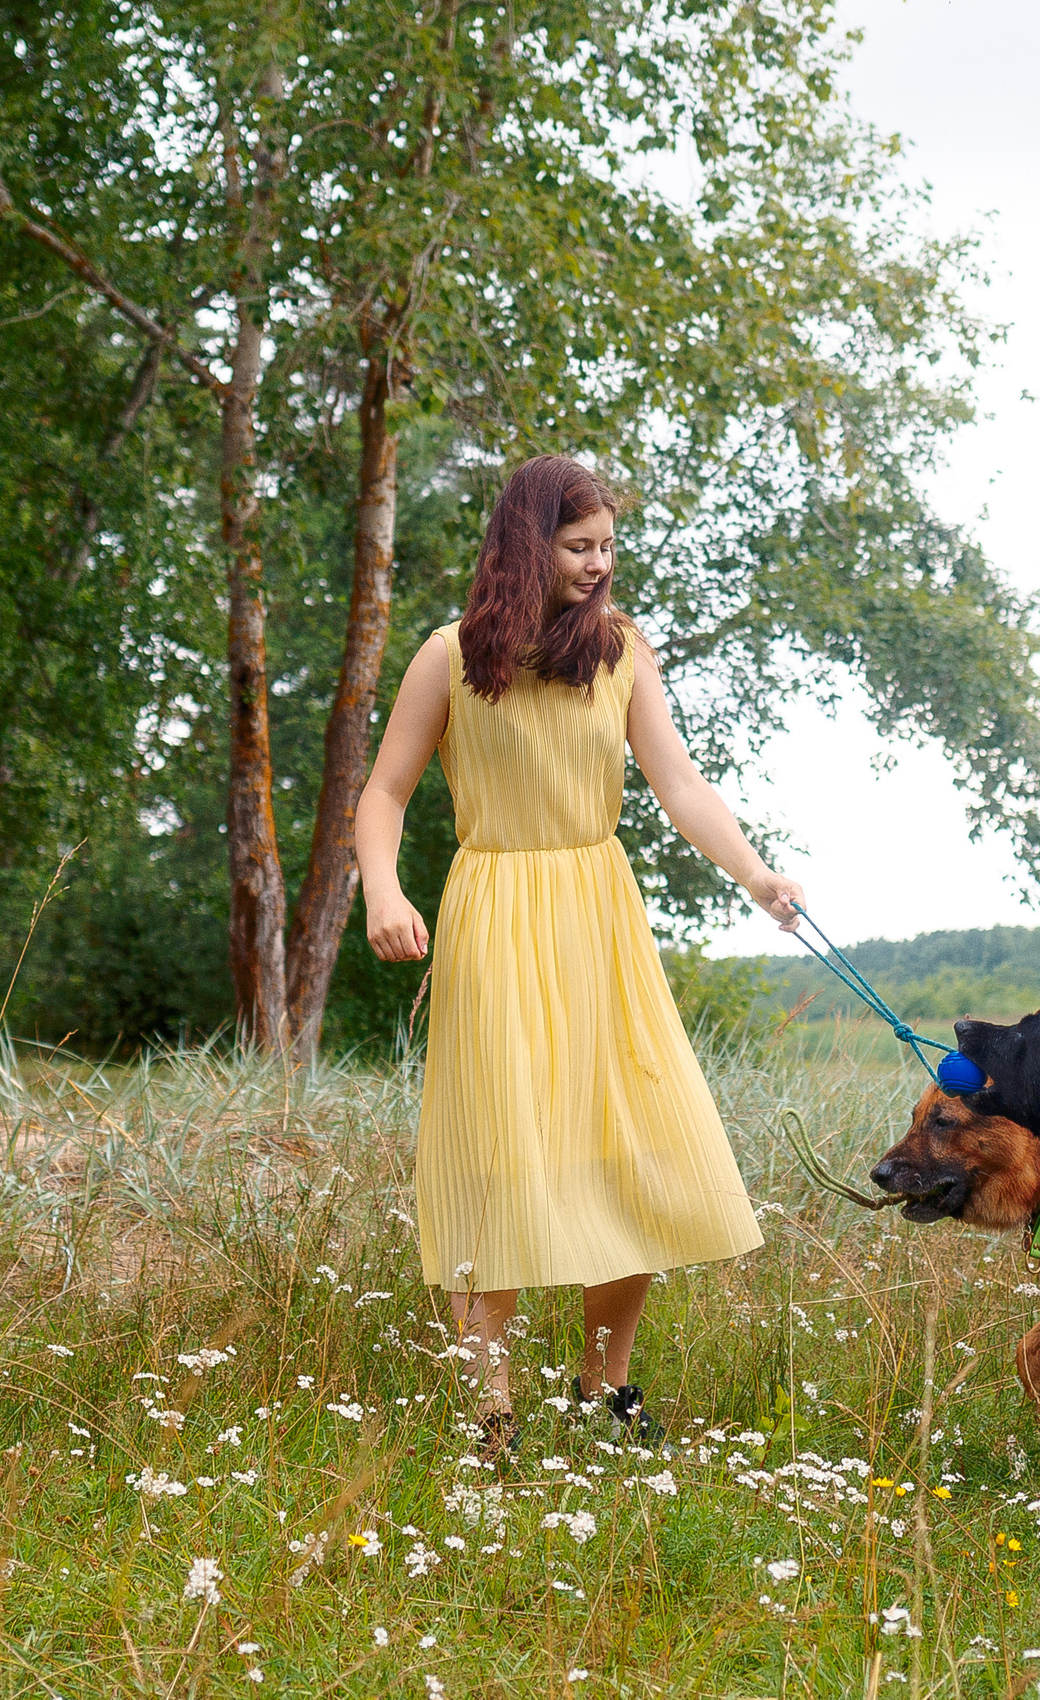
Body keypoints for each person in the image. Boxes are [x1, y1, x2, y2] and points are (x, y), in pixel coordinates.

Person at [355, 454, 800, 1455]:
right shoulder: (449, 657)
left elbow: (679, 784)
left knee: (637, 1146)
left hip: (598, 914)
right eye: (579, 547)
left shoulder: (622, 652)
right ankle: (489, 1402)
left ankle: (604, 1383)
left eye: (608, 546)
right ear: (528, 543)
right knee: (501, 1154)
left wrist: (756, 875)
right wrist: (384, 891)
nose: (601, 565)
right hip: (496, 911)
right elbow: (381, 794)